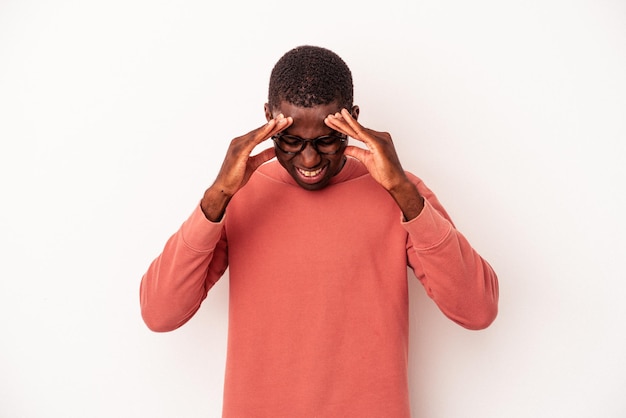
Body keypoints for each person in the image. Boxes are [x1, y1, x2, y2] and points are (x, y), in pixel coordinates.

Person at [140, 45, 499, 417]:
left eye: (327, 140)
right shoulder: (237, 196)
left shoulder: (400, 194)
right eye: (291, 141)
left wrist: (403, 192)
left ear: (352, 120)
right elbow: (160, 313)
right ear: (269, 119)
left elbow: (477, 311)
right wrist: (218, 196)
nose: (309, 160)